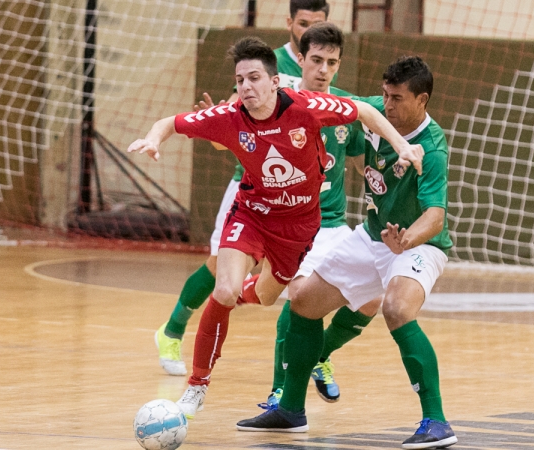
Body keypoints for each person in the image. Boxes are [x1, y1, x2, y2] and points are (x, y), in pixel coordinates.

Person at [129, 36, 423, 419]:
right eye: (240, 80)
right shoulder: (230, 116)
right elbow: (169, 122)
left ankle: (250, 294)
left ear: (275, 82)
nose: (246, 87)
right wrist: (153, 139)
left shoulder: (307, 107)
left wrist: (401, 145)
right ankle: (197, 387)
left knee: (267, 296)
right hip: (250, 214)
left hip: (299, 228)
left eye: (254, 78)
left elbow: (365, 113)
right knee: (224, 288)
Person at [236, 56, 458, 450]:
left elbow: (436, 217)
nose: (387, 105)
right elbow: (322, 101)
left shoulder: (431, 146)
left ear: (422, 100)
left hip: (416, 245)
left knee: (396, 308)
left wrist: (406, 240)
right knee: (302, 300)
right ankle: (290, 409)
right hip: (372, 236)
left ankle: (436, 421)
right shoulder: (375, 111)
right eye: (385, 95)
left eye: (398, 99)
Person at [154, 0, 332, 378]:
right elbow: (227, 134)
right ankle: (172, 330)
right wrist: (213, 128)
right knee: (221, 266)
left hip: (296, 202)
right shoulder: (265, 65)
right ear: (289, 23)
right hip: (250, 189)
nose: (308, 31)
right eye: (303, 23)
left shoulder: (322, 67)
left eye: (317, 24)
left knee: (267, 291)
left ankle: (235, 301)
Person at [259, 23, 383, 411]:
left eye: (332, 62)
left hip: (334, 224)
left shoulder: (348, 108)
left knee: (371, 300)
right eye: (316, 60)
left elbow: (364, 166)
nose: (324, 69)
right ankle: (280, 389)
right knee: (298, 296)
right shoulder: (280, 103)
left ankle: (318, 355)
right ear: (300, 59)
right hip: (294, 225)